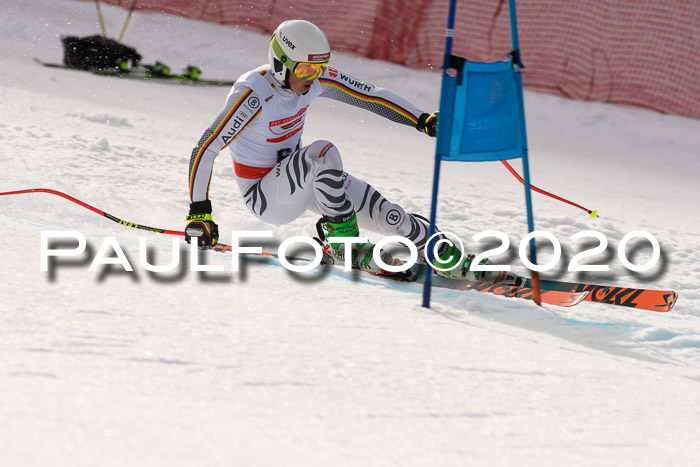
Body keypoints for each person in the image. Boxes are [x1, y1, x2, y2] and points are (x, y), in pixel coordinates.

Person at [185, 19, 513, 283]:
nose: (313, 78)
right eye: (305, 70)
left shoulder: (314, 78)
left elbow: (372, 96)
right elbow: (206, 148)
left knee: (392, 215)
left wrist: (422, 121)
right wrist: (200, 212)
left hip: (303, 182)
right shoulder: (253, 94)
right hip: (266, 196)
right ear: (281, 63)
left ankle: (442, 254)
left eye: (319, 69)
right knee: (323, 152)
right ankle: (343, 245)